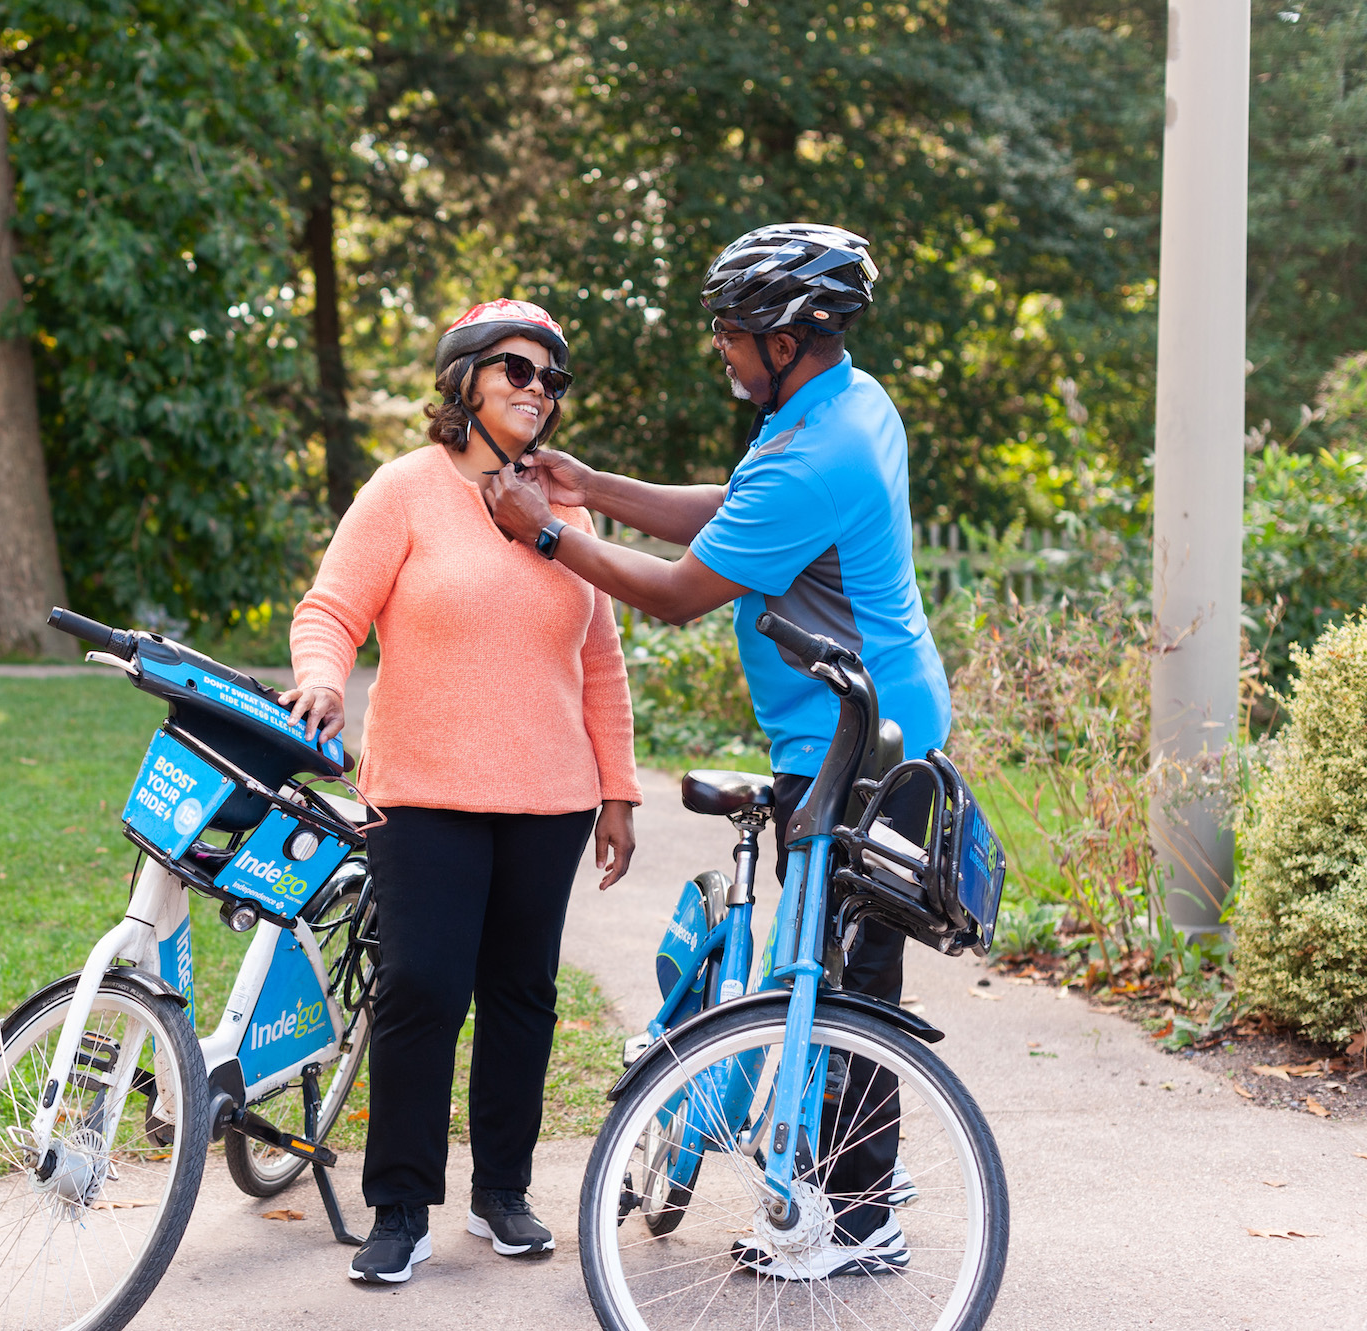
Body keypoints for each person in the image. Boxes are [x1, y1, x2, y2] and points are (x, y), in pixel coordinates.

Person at [484, 224, 952, 1280]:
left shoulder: (818, 447)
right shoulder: (835, 403)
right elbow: (734, 511)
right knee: (845, 963)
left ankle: (860, 1211)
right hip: (870, 722)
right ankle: (862, 1179)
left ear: (786, 337)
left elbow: (680, 590)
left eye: (730, 334)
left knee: (836, 977)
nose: (720, 351)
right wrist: (595, 484)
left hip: (854, 743)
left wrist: (545, 531)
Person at [282, 298, 642, 1286]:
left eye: (552, 379)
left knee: (520, 995)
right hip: (425, 789)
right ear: (465, 381)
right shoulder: (404, 489)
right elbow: (329, 610)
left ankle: (502, 1193)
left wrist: (617, 789)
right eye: (518, 371)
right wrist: (319, 675)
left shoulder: (563, 506)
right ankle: (398, 1206)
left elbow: (600, 661)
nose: (539, 391)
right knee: (421, 989)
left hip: (550, 798)